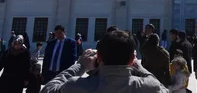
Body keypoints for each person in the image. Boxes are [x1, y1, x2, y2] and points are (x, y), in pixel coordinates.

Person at [40, 29, 169, 93]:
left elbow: (47, 89)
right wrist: (140, 68)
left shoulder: (75, 86)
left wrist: (80, 65)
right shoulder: (148, 87)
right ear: (131, 60)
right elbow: (163, 89)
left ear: (99, 57)